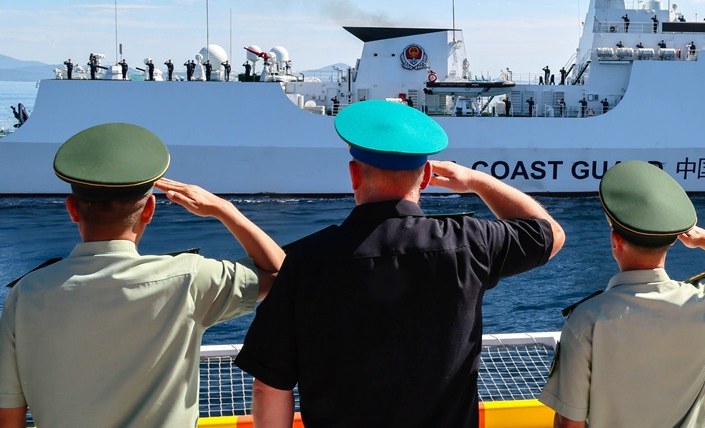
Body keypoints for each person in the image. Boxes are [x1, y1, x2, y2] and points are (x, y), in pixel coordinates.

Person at [234, 100, 565, 427]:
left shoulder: (306, 261)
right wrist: (476, 182)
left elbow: (269, 386)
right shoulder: (467, 243)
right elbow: (549, 235)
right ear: (425, 178)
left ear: (353, 175)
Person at [0, 123, 285, 428]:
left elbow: (9, 415)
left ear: (72, 209)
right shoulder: (190, 279)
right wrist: (223, 209)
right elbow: (278, 271)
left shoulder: (27, 293)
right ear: (149, 209)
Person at [539, 161, 705, 427]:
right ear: (674, 240)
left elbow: (570, 422)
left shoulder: (586, 320)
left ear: (616, 241)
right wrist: (704, 239)